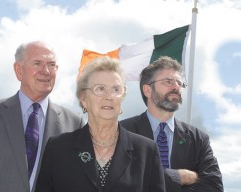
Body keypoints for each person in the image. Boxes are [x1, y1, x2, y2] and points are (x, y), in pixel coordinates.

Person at [0, 41, 84, 192]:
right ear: (18, 70)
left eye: (52, 65)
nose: (46, 71)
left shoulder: (74, 123)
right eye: (37, 63)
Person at [35, 56, 166, 192]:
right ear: (84, 99)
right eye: (100, 89)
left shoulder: (147, 151)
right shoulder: (58, 148)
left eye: (116, 89)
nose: (109, 96)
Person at [120, 56, 223, 192]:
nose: (176, 87)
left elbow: (214, 187)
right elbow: (117, 183)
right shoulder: (122, 132)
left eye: (179, 83)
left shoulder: (198, 139)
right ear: (147, 90)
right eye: (168, 81)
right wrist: (177, 177)